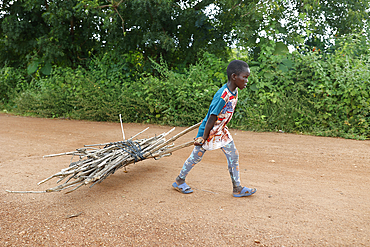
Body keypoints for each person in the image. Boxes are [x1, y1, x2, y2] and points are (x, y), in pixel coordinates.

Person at [172, 60, 257, 197]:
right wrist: (203, 137)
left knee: (233, 155)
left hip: (221, 130)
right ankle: (179, 181)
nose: (246, 81)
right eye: (245, 77)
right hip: (209, 131)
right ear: (234, 77)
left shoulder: (234, 91)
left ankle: (237, 188)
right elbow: (211, 118)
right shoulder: (222, 95)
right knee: (195, 157)